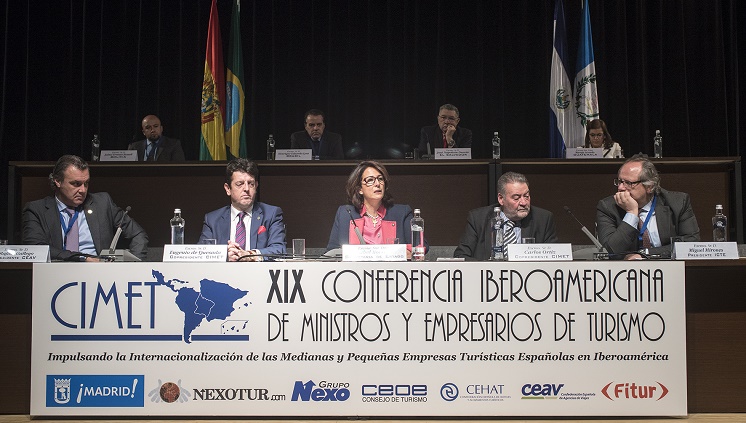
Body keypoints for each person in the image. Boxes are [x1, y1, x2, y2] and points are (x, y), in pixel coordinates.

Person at [22, 155, 149, 261]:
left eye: (86, 183)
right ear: (58, 181)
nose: (83, 190)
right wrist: (82, 259)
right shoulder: (36, 210)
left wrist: (133, 266)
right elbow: (36, 249)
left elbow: (138, 234)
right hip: (56, 274)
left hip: (99, 274)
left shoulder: (102, 203)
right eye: (76, 184)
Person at [596, 154, 699, 260]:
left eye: (628, 183)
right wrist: (631, 213)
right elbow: (609, 251)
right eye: (619, 181)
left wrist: (646, 254)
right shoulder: (608, 207)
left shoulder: (678, 202)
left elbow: (690, 244)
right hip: (625, 269)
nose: (620, 188)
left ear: (649, 186)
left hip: (668, 266)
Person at [326, 161, 427, 257]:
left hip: (391, 268)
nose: (377, 184)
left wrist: (401, 252)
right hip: (355, 268)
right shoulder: (346, 214)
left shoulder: (401, 213)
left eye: (380, 179)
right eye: (370, 180)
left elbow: (421, 246)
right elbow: (332, 251)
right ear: (359, 189)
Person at [454, 172, 557, 260]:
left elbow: (554, 258)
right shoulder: (478, 219)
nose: (524, 203)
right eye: (516, 198)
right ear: (501, 199)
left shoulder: (543, 219)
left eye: (526, 196)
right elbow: (461, 256)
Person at [198, 158, 286, 261]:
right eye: (240, 184)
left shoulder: (271, 214)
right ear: (228, 189)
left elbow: (279, 250)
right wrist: (224, 254)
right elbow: (202, 252)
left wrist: (250, 255)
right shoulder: (212, 219)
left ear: (256, 186)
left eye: (251, 184)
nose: (246, 189)